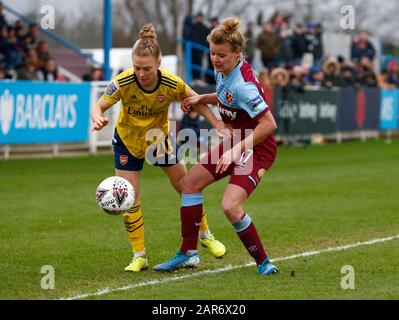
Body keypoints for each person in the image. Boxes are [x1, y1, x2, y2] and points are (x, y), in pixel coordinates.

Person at [90, 24, 226, 272]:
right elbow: (98, 106)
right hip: (128, 142)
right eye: (137, 67)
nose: (141, 73)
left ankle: (206, 235)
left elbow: (195, 101)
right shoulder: (123, 82)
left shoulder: (171, 83)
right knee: (130, 199)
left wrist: (216, 123)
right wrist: (97, 117)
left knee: (187, 187)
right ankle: (139, 256)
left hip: (158, 140)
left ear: (159, 63)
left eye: (147, 68)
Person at [153, 17, 279, 276]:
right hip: (238, 140)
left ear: (237, 54)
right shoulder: (228, 72)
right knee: (189, 184)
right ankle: (188, 253)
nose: (215, 59)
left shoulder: (244, 85)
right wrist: (204, 98)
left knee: (230, 206)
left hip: (257, 148)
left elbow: (269, 124)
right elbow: (226, 96)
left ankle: (264, 263)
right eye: (212, 53)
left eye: (221, 55)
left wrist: (236, 149)